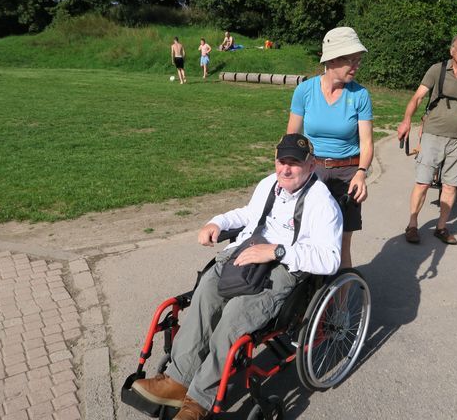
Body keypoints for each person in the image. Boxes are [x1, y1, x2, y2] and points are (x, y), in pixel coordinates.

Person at [131, 134, 342, 420]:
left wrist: (277, 251)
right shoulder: (270, 183)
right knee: (205, 293)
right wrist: (217, 222)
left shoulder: (322, 203)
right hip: (245, 255)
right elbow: (247, 214)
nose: (286, 169)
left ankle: (198, 400)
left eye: (294, 163)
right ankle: (177, 380)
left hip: (283, 268)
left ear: (311, 165)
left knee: (234, 317)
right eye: (282, 161)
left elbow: (330, 259)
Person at [286, 26, 373, 269]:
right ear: (333, 59)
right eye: (351, 60)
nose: (356, 65)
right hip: (312, 172)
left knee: (342, 242)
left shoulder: (360, 95)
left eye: (358, 60)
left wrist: (361, 172)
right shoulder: (305, 91)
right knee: (307, 236)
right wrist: (288, 170)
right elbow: (292, 136)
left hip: (348, 174)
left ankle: (342, 304)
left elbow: (366, 142)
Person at [396, 32, 457, 246]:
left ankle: (441, 227)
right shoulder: (437, 70)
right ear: (452, 50)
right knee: (423, 182)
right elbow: (418, 97)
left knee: (451, 185)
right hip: (433, 134)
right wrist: (407, 120)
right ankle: (413, 224)